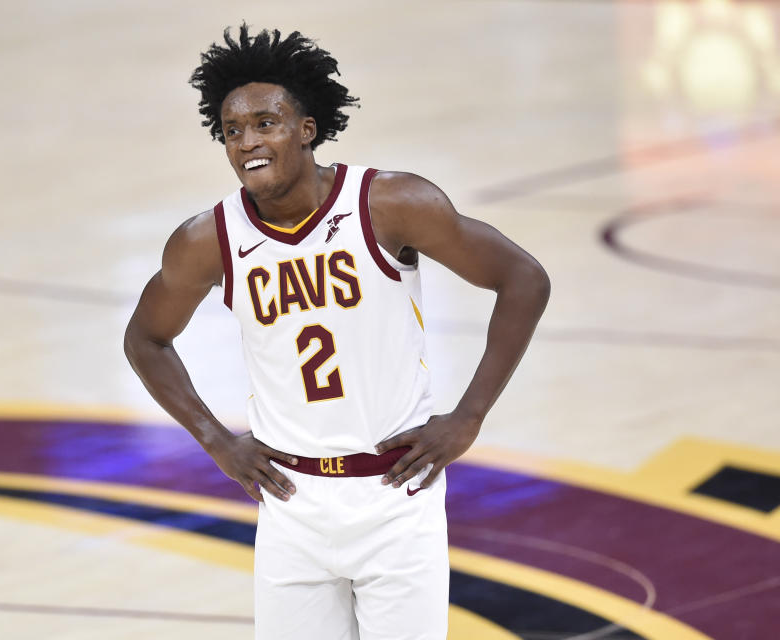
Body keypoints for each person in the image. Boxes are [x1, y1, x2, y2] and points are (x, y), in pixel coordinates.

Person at [124, 24, 550, 640]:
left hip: (394, 496)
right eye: (233, 131)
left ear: (307, 129)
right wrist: (217, 441)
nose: (248, 143)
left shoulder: (391, 204)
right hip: (292, 506)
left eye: (265, 123)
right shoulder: (205, 241)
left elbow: (523, 279)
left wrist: (469, 416)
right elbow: (146, 339)